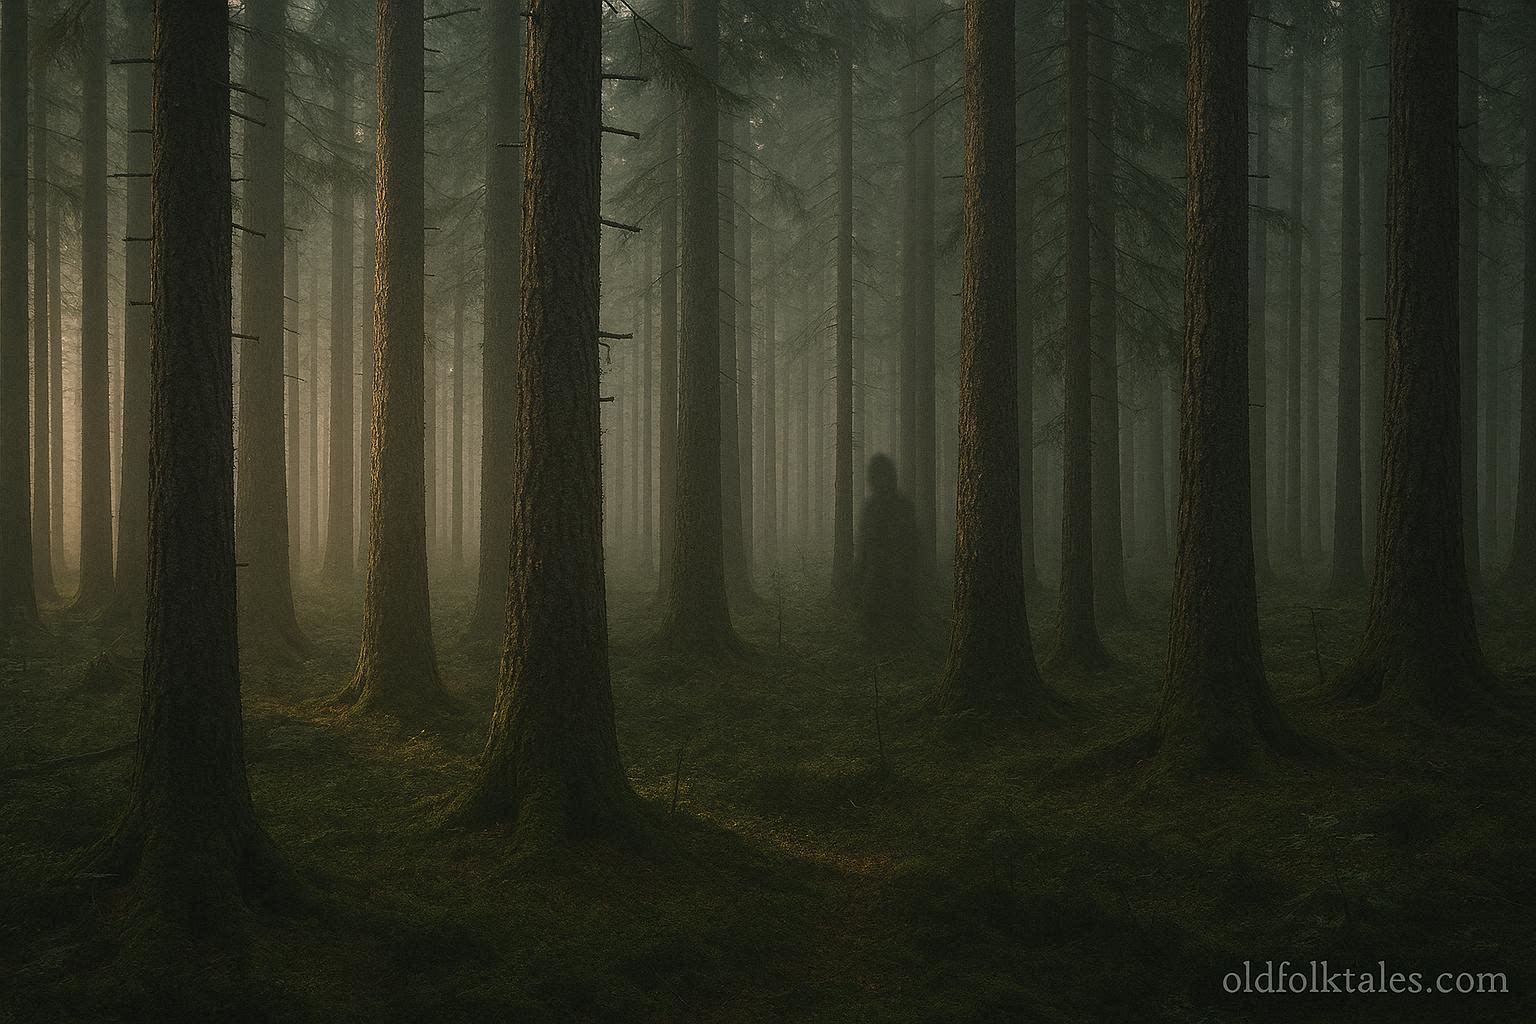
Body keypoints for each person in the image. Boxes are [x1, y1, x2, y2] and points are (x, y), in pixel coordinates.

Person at [852, 454, 920, 647]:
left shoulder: (902, 506)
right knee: (874, 616)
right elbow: (863, 544)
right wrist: (859, 575)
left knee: (899, 614)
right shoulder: (871, 507)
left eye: (884, 476)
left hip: (897, 572)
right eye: (877, 476)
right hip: (877, 573)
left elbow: (912, 543)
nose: (881, 481)